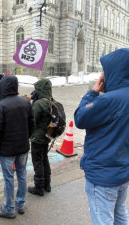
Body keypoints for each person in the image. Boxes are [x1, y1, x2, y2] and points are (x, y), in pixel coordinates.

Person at [74, 48, 129, 225]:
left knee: (103, 219)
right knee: (120, 213)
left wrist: (92, 93)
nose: (103, 74)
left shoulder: (109, 100)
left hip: (103, 173)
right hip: (122, 170)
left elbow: (80, 118)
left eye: (105, 69)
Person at [0, 75, 35, 218]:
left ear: (2, 87)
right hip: (22, 147)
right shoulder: (25, 103)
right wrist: (25, 137)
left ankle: (9, 208)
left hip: (7, 150)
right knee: (21, 175)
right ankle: (20, 204)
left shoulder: (0, 105)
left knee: (9, 178)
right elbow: (32, 124)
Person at [27, 78, 53, 196]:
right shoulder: (50, 101)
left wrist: (33, 102)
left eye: (37, 89)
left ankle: (39, 187)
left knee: (37, 161)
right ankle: (47, 184)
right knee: (44, 159)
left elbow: (32, 119)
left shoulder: (39, 103)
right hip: (47, 135)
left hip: (38, 137)